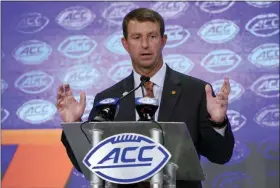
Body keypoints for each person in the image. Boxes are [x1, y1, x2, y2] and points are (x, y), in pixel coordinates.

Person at [57, 8, 235, 188]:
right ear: (125, 43)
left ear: (163, 40)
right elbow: (89, 163)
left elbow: (221, 156)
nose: (145, 45)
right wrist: (73, 124)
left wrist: (218, 122)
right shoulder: (109, 99)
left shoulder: (195, 92)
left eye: (152, 36)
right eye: (136, 37)